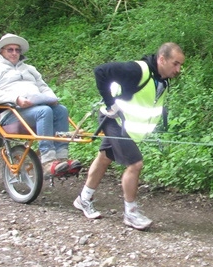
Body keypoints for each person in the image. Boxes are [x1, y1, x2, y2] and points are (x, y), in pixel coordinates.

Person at [73, 42, 185, 230]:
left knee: (104, 158)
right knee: (135, 164)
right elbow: (100, 71)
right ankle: (131, 213)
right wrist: (110, 104)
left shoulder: (162, 79)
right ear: (162, 59)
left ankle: (83, 199)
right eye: (175, 64)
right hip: (113, 120)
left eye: (180, 65)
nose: (178, 69)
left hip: (127, 126)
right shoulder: (137, 70)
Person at [0, 33, 81, 176]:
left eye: (17, 50)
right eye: (10, 50)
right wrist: (16, 99)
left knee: (61, 110)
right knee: (44, 111)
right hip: (9, 113)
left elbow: (43, 87)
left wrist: (51, 97)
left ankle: (62, 158)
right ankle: (47, 162)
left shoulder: (29, 69)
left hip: (33, 108)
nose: (14, 53)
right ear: (1, 51)